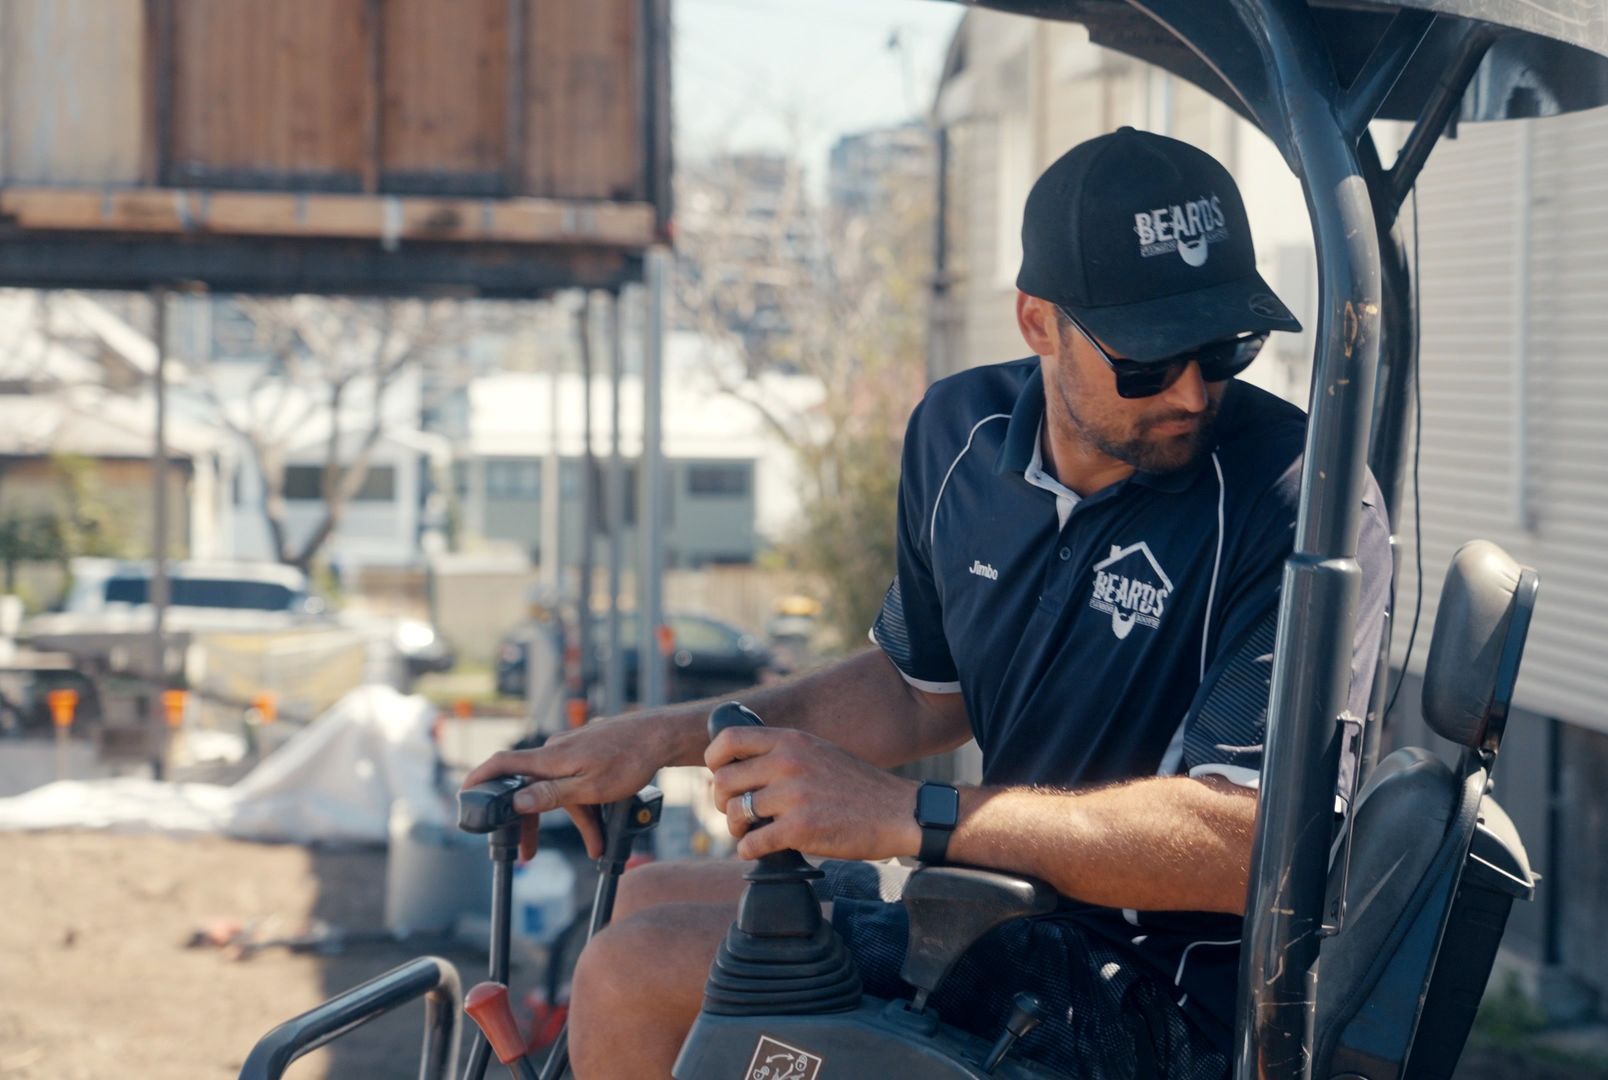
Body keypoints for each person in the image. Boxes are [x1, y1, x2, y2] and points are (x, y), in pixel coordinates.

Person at [465, 127, 1393, 1080]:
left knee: (634, 973)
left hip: (1160, 999)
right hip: (1007, 912)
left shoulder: (1298, 503)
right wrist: (655, 737)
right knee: (641, 899)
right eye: (1150, 361)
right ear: (1039, 324)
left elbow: (1245, 847)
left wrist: (911, 814)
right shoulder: (960, 436)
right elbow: (918, 693)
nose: (1196, 393)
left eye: (1224, 347)